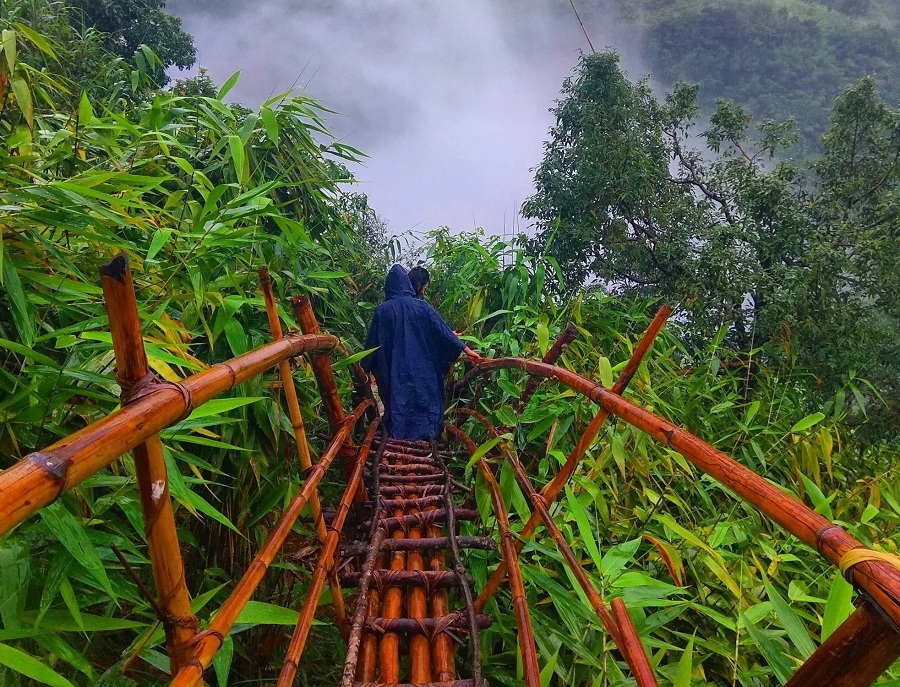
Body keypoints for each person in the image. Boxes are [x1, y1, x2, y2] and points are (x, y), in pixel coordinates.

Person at [361, 264, 481, 440]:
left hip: (395, 371)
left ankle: (398, 436)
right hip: (422, 369)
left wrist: (364, 367)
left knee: (398, 400)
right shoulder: (422, 308)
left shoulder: (382, 311)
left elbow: (372, 343)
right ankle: (427, 437)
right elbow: (442, 330)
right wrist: (467, 349)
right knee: (425, 399)